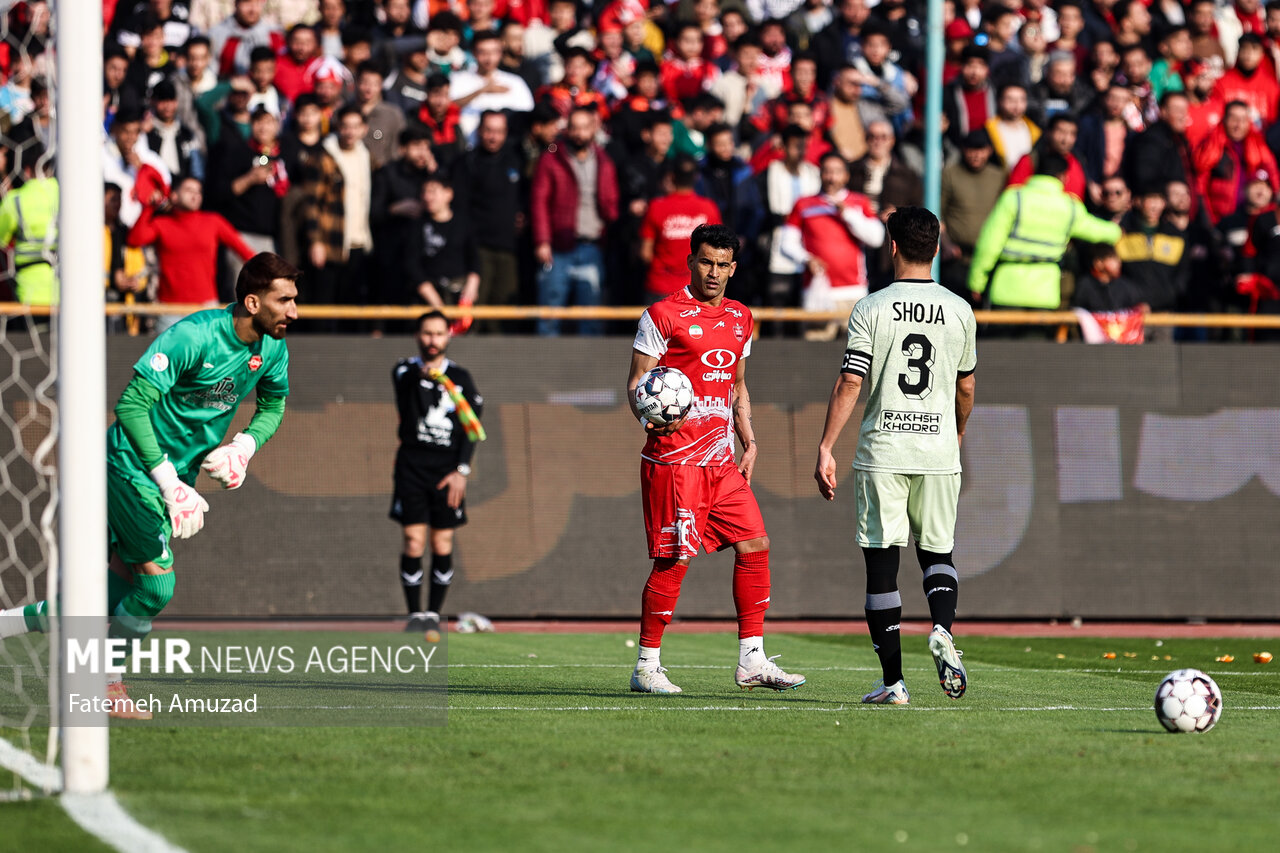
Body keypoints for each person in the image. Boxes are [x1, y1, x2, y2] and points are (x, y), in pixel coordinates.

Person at [0, 253, 299, 719]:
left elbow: (273, 405)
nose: (294, 312)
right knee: (157, 589)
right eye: (286, 301)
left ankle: (7, 628)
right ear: (253, 301)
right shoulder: (193, 335)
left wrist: (243, 447)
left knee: (111, 590)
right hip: (131, 465)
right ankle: (104, 684)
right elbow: (131, 406)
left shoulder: (273, 348)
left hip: (172, 475)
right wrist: (168, 484)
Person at [626, 223, 805, 695]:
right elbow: (636, 382)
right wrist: (647, 414)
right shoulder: (662, 315)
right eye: (706, 261)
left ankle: (752, 660)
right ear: (690, 261)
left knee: (755, 545)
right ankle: (646, 665)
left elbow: (738, 384)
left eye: (723, 264)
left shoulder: (742, 317)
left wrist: (750, 438)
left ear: (734, 268)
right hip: (674, 460)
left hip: (721, 460)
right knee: (674, 562)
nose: (714, 272)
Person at [813, 206, 975, 706]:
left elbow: (850, 381)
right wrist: (957, 432)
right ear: (936, 246)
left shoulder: (872, 307)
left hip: (884, 448)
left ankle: (894, 683)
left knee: (882, 566)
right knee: (937, 553)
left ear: (893, 246)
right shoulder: (960, 309)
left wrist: (826, 446)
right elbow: (965, 387)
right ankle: (943, 630)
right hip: (937, 448)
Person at [391, 310, 484, 641]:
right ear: (418, 336)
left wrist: (461, 470)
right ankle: (416, 614)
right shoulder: (405, 371)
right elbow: (405, 389)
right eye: (427, 334)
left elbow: (473, 428)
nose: (432, 340)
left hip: (447, 471)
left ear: (448, 336)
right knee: (414, 541)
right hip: (412, 468)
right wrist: (424, 376)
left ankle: (433, 614)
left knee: (441, 541)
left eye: (439, 334)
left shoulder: (460, 378)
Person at [969, 152, 1122, 328]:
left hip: (1006, 290)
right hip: (1045, 294)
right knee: (1038, 354)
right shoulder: (1069, 206)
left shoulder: (1014, 198)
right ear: (1063, 177)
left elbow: (989, 244)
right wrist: (1117, 230)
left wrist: (976, 282)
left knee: (1004, 352)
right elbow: (1096, 230)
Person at [127, 174, 256, 331]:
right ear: (173, 196)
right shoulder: (161, 224)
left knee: (208, 356)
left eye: (198, 191)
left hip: (205, 308)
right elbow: (135, 239)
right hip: (169, 310)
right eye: (189, 190)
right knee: (167, 356)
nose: (195, 194)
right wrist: (150, 207)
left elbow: (245, 252)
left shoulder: (213, 221)